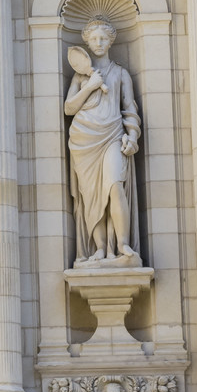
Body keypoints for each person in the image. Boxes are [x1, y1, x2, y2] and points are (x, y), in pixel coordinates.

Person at [64, 18, 141, 261]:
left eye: (103, 38)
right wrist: (90, 86)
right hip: (83, 139)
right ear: (86, 41)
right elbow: (69, 108)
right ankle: (98, 249)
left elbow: (129, 110)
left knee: (115, 185)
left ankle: (123, 244)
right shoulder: (80, 77)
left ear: (111, 42)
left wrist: (133, 136)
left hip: (112, 136)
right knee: (91, 195)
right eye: (94, 38)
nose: (98, 43)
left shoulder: (120, 73)